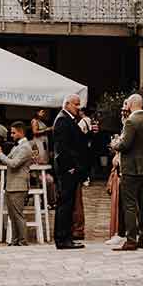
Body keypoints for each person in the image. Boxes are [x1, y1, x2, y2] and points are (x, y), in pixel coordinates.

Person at [110, 93, 143, 250]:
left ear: (131, 105)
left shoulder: (131, 121)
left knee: (130, 204)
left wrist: (114, 143)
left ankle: (131, 240)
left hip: (132, 169)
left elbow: (124, 145)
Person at [50, 93, 91, 249]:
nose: (78, 107)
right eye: (76, 104)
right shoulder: (62, 120)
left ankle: (67, 237)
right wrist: (71, 167)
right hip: (67, 169)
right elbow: (63, 148)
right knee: (65, 204)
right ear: (67, 104)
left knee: (69, 204)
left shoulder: (69, 120)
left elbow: (78, 141)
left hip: (71, 169)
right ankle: (62, 239)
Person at [0, 122, 37, 246]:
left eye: (13, 132)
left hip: (19, 185)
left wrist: (0, 154)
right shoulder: (17, 146)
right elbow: (9, 160)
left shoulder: (25, 147)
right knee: (12, 216)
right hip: (12, 184)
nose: (11, 135)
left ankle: (23, 240)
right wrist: (0, 153)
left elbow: (13, 163)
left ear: (21, 132)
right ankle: (15, 240)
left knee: (18, 215)